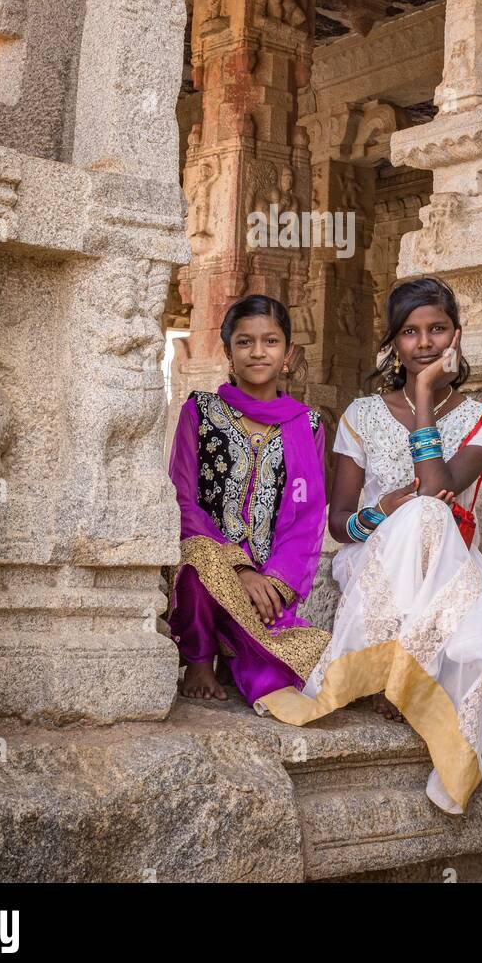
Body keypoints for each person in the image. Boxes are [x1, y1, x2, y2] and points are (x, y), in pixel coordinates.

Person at [255, 277, 482, 815]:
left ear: (456, 335)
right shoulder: (362, 415)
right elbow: (342, 524)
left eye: (437, 329)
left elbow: (438, 486)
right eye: (410, 332)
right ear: (393, 343)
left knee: (428, 517)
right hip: (373, 560)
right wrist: (382, 512)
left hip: (449, 561)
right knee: (415, 514)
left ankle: (399, 676)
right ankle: (397, 676)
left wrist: (422, 397)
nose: (425, 343)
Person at [167, 294, 330, 705]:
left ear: (288, 352)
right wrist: (236, 567)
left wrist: (275, 580)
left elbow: (305, 517)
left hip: (269, 580)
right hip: (206, 566)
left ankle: (242, 651)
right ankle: (200, 660)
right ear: (228, 351)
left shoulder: (305, 425)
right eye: (244, 342)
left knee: (288, 678)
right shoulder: (200, 412)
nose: (258, 352)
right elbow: (183, 498)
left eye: (270, 341)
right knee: (198, 559)